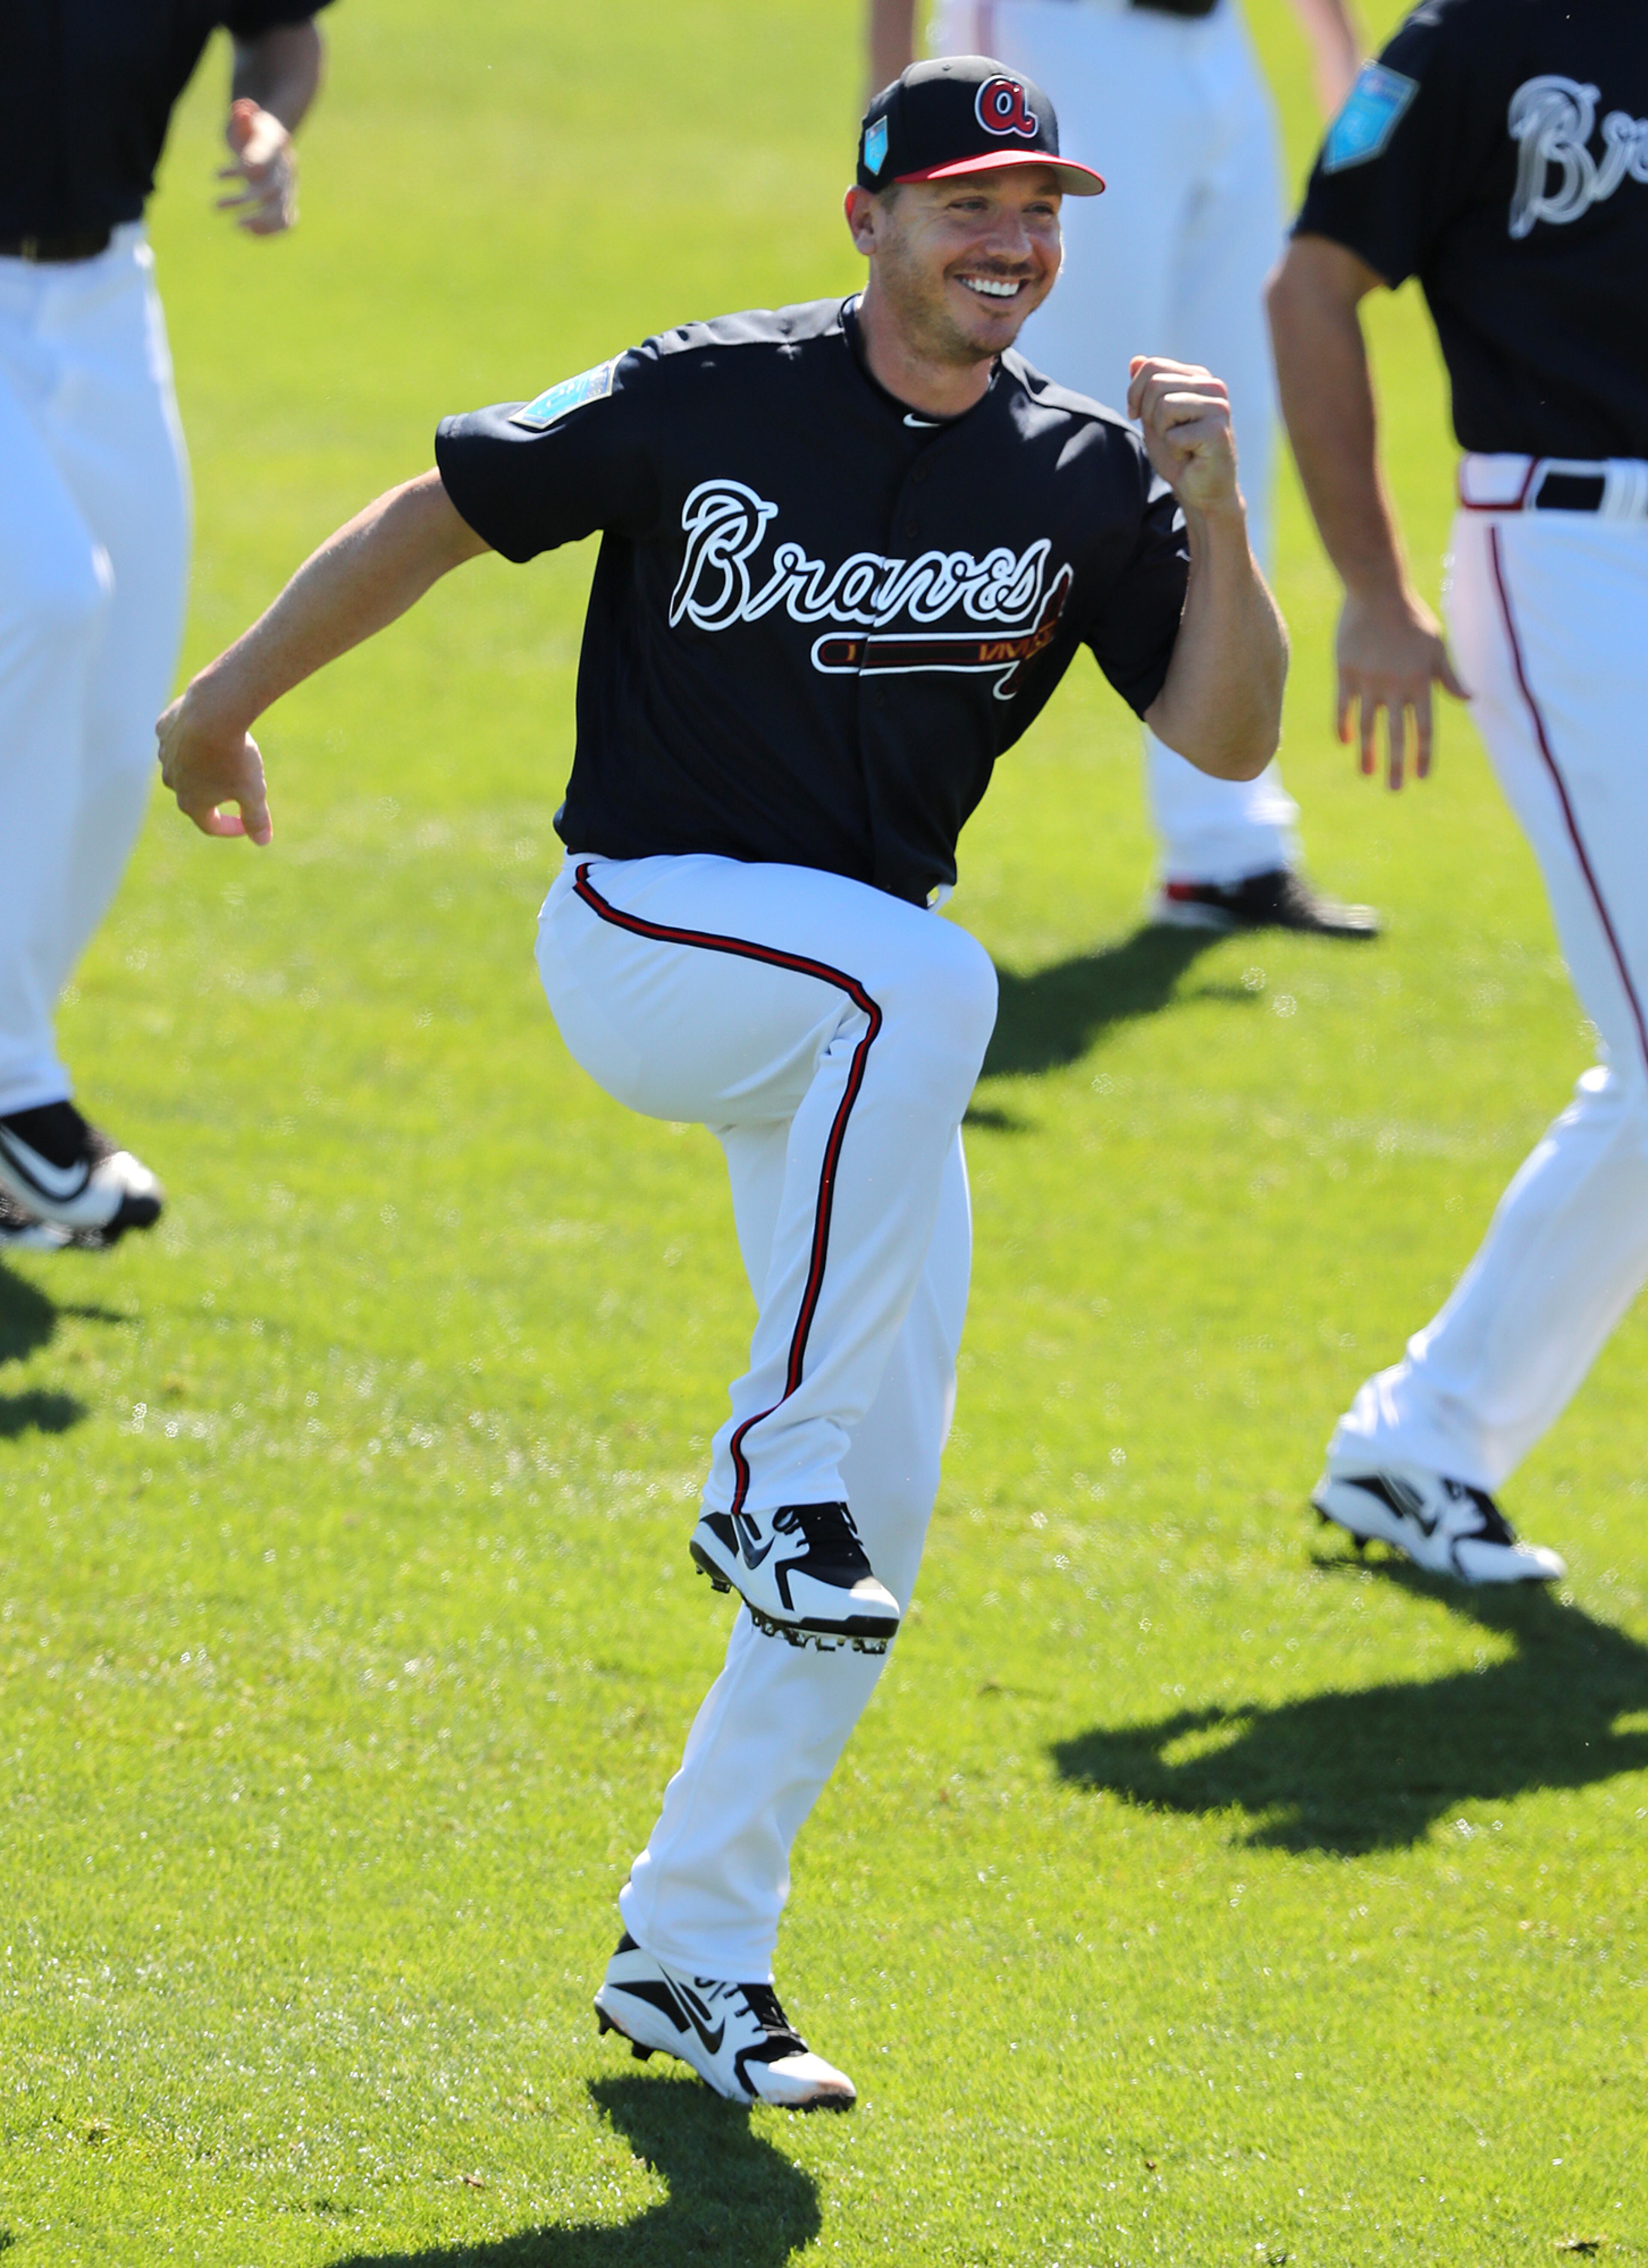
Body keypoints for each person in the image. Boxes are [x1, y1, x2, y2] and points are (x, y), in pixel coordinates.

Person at [157, 57, 1285, 2105]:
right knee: (926, 994)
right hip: (655, 935)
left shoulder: (1087, 469)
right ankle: (767, 1469)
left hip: (847, 1020)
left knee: (895, 1493)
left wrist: (1216, 515)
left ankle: (694, 1947)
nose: (1009, 240)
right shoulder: (713, 389)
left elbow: (1220, 739)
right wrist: (219, 705)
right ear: (865, 219)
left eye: (1036, 206)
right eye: (967, 204)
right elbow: (443, 510)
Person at [1267, 0, 1647, 1583]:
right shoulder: (1486, 32)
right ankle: (1421, 1436)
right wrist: (1367, 584)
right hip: (1570, 559)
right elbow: (1312, 287)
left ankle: (1418, 1445)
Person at [872, 0, 1377, 939]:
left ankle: (1225, 851)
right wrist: (895, 96)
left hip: (1218, 52)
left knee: (1223, 448)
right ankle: (859, 843)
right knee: (1014, 467)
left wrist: (1333, 41)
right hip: (1058, 52)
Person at [0, 2, 332, 1254]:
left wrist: (270, 124)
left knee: (122, 694)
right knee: (42, 592)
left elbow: (281, 36)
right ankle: (16, 1084)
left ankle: (10, 1132)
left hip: (104, 290)